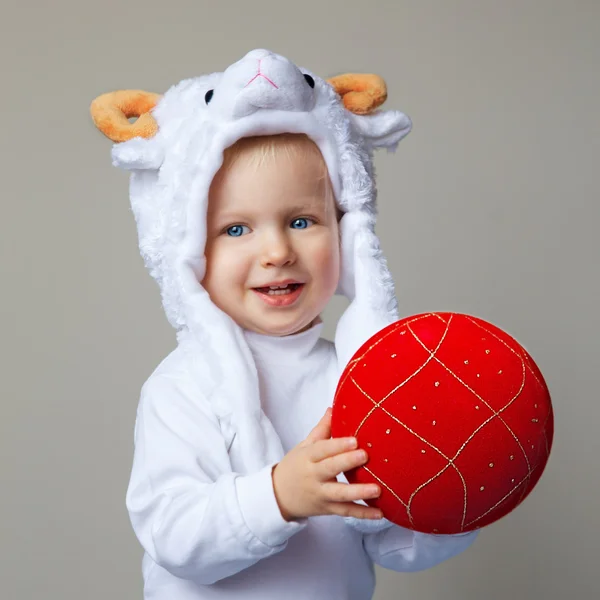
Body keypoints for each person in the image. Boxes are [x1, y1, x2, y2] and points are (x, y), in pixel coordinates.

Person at [90, 49, 479, 600]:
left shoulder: (360, 382)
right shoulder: (183, 388)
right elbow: (173, 535)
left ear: (348, 234)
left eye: (302, 221)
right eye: (236, 230)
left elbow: (395, 545)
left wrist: (454, 491)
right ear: (189, 252)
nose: (277, 251)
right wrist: (277, 496)